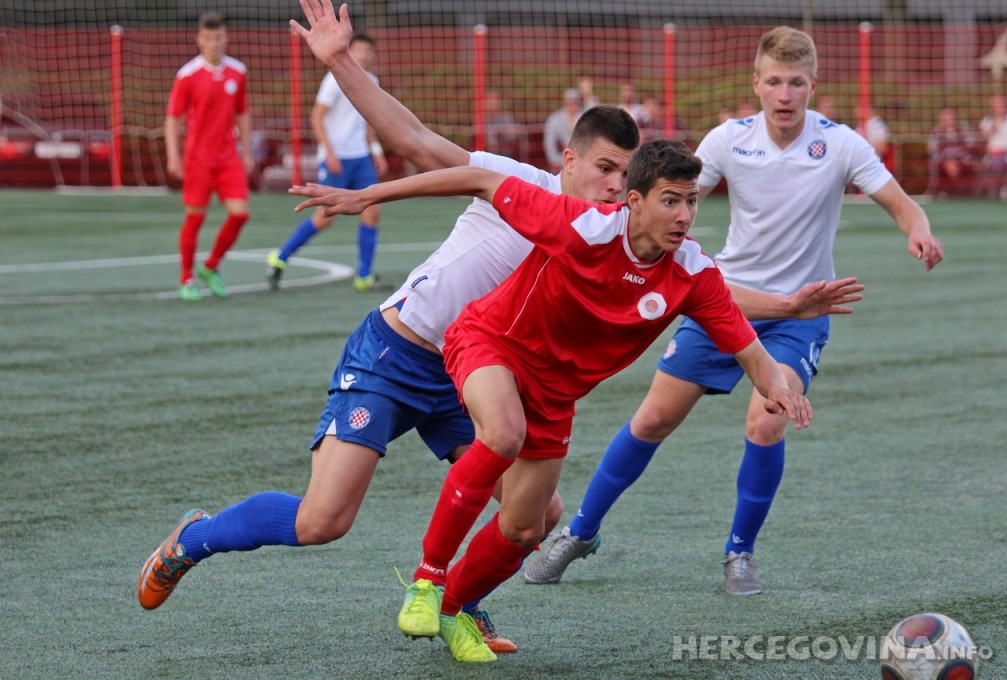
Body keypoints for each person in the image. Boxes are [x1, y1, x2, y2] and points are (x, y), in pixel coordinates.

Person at [137, 0, 641, 657]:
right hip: (396, 353)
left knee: (536, 515)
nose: (612, 187)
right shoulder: (515, 182)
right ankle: (193, 538)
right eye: (603, 168)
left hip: (471, 375)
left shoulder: (606, 239)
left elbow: (688, 282)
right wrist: (340, 60)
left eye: (625, 177)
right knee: (323, 521)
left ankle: (461, 606)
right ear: (568, 160)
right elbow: (415, 142)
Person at [314, 139, 818, 664]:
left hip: (555, 395)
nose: (684, 216)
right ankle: (427, 580)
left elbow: (746, 346)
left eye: (692, 202)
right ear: (634, 199)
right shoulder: (583, 225)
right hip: (491, 342)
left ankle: (456, 608)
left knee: (527, 526)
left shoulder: (692, 272)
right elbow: (480, 180)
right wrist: (372, 194)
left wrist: (779, 387)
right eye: (671, 200)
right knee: (503, 434)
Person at [524, 26, 943, 598]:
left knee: (766, 419)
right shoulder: (728, 140)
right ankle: (578, 533)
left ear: (812, 86)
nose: (785, 94)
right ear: (757, 84)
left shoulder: (840, 144)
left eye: (796, 83)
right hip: (724, 301)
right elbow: (672, 191)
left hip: (799, 316)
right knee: (651, 420)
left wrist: (919, 231)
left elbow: (901, 203)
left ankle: (739, 554)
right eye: (774, 82)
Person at [266, 32, 388, 292]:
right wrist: (330, 152)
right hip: (337, 158)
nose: (364, 55)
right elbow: (317, 117)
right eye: (359, 50)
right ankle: (280, 256)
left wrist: (375, 151)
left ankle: (364, 276)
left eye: (368, 50)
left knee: (372, 211)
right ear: (350, 51)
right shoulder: (335, 79)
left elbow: (367, 120)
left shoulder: (372, 81)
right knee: (325, 217)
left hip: (361, 158)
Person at [165, 11, 253, 302]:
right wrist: (173, 156)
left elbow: (241, 113)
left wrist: (247, 151)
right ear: (199, 39)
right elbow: (173, 118)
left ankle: (211, 266)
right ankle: (186, 278)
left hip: (228, 158)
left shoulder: (237, 72)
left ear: (226, 38)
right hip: (198, 159)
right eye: (208, 38)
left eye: (219, 37)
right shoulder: (187, 75)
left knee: (240, 214)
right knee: (195, 219)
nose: (214, 43)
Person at [979, 94, 1007, 199]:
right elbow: (983, 138)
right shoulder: (987, 121)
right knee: (988, 164)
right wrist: (991, 131)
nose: (999, 106)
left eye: (1001, 103)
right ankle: (994, 193)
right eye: (995, 104)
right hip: (992, 154)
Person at [928, 107, 977, 197]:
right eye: (945, 115)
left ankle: (963, 193)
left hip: (962, 160)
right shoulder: (936, 132)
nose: (948, 118)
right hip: (943, 161)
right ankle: (946, 192)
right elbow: (933, 151)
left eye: (950, 114)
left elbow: (971, 145)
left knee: (959, 165)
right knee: (948, 166)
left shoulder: (964, 129)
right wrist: (947, 160)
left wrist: (957, 159)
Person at [543, 88, 583, 172]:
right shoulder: (555, 118)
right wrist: (554, 159)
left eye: (575, 102)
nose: (572, 105)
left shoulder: (584, 117)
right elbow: (549, 141)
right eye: (569, 101)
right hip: (562, 159)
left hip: (582, 158)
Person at [482, 90, 525, 159]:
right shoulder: (480, 119)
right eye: (490, 99)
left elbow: (513, 135)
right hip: (486, 155)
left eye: (495, 100)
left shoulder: (506, 117)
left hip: (505, 155)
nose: (493, 103)